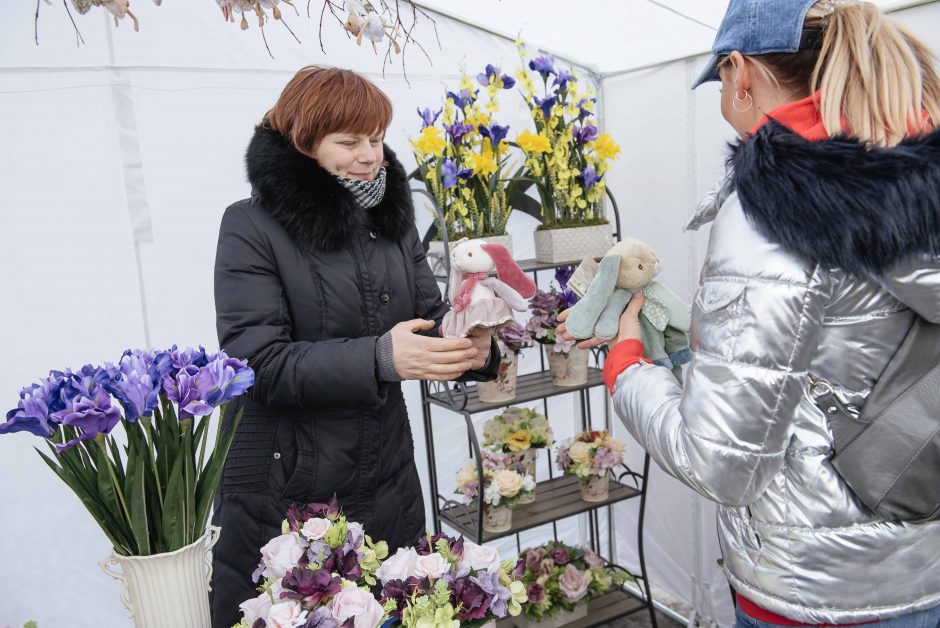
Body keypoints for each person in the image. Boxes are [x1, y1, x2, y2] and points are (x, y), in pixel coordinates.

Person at [561, 0, 940, 625]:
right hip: (918, 563)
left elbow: (723, 463)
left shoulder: (774, 207)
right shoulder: (917, 177)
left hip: (812, 589)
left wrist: (628, 367)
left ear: (740, 73)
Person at [210, 66, 498, 627]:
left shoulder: (392, 220)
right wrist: (381, 358)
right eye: (349, 142)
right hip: (288, 492)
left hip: (385, 475)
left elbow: (428, 318)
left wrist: (474, 343)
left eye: (376, 139)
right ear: (303, 143)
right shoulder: (250, 225)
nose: (370, 156)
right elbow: (255, 363)